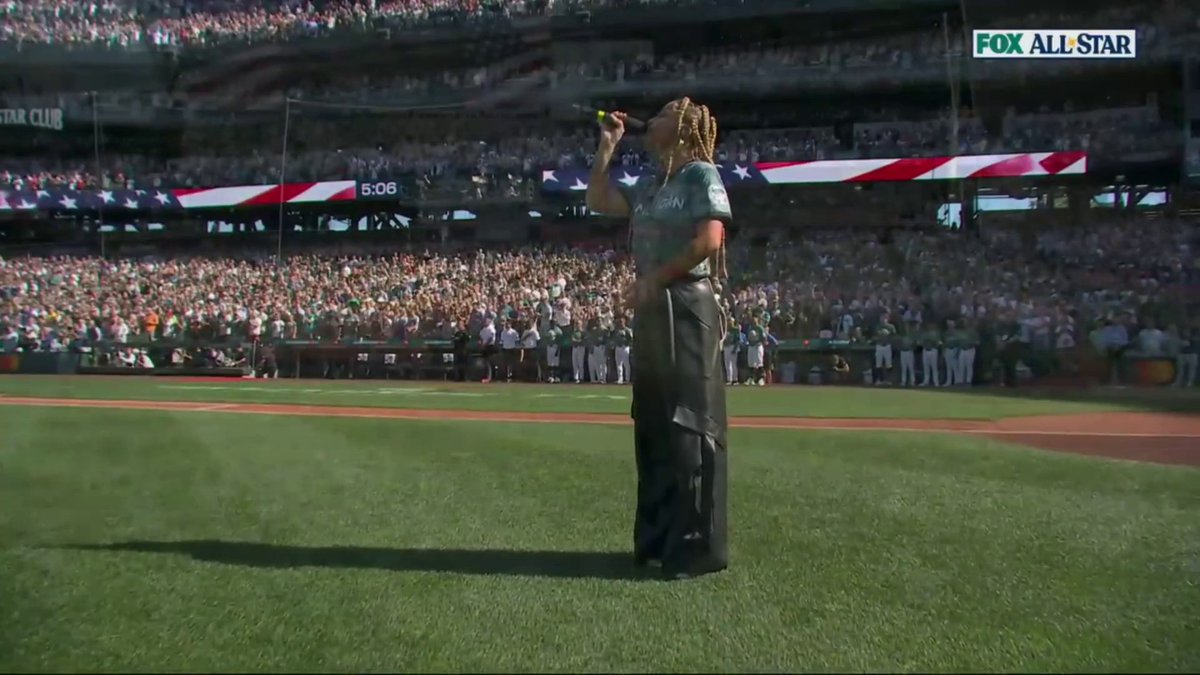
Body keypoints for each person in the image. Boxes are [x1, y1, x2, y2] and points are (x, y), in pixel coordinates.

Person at [585, 97, 730, 580]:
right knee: (651, 423)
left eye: (666, 112)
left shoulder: (700, 175)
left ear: (686, 127)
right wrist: (608, 147)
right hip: (652, 309)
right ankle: (656, 537)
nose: (655, 118)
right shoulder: (650, 186)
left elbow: (709, 241)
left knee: (690, 424)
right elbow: (596, 199)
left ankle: (695, 547)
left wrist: (656, 279)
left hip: (687, 304)